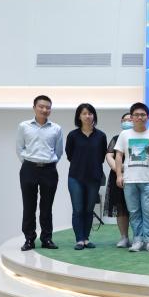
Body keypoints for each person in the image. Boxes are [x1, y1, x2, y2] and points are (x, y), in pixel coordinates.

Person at [16, 95, 64, 251]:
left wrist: (48, 162)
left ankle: (46, 239)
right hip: (29, 169)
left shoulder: (56, 128)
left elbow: (58, 151)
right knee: (28, 206)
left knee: (47, 207)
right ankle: (29, 239)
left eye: (48, 107)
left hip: (49, 170)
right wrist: (29, 162)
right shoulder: (24, 126)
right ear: (34, 108)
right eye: (41, 106)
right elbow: (19, 148)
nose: (44, 110)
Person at [114, 102, 149, 253]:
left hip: (148, 180)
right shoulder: (124, 134)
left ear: (148, 117)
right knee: (134, 212)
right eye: (136, 115)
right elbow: (118, 155)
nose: (139, 117)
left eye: (142, 115)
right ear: (132, 117)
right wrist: (119, 175)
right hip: (129, 180)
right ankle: (137, 240)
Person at [65, 103, 107, 250]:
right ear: (79, 116)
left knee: (89, 210)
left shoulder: (101, 136)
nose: (87, 116)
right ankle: (79, 240)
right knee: (78, 209)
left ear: (94, 115)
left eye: (90, 113)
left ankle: (86, 238)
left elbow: (102, 156)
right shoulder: (73, 135)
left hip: (94, 178)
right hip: (75, 177)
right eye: (84, 113)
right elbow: (69, 155)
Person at [104, 113, 133, 247]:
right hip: (118, 177)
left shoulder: (139, 137)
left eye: (130, 119)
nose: (128, 122)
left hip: (136, 176)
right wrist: (118, 170)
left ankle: (139, 237)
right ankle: (124, 237)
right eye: (125, 120)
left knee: (137, 208)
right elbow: (109, 156)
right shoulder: (116, 138)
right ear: (121, 122)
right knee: (120, 208)